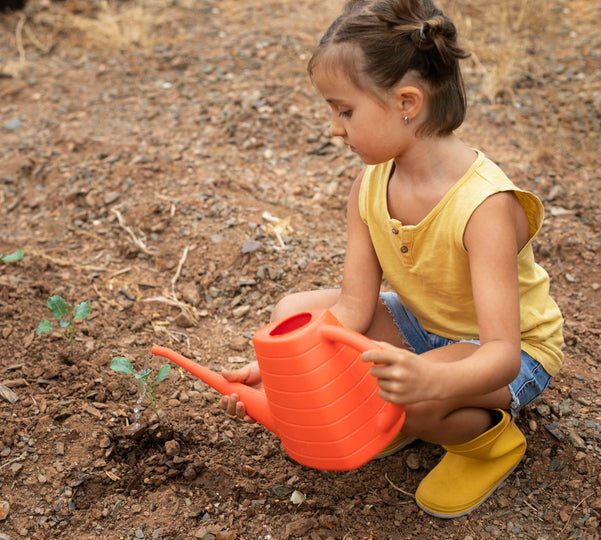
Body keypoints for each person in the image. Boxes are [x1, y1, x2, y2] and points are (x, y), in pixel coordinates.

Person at [218, 0, 564, 519]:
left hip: (505, 352)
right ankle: (394, 414)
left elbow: (502, 354)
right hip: (423, 326)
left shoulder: (484, 207)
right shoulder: (370, 185)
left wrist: (428, 380)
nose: (334, 129)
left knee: (413, 401)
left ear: (407, 102)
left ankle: (489, 444)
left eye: (345, 111)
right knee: (295, 311)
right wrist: (280, 373)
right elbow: (355, 308)